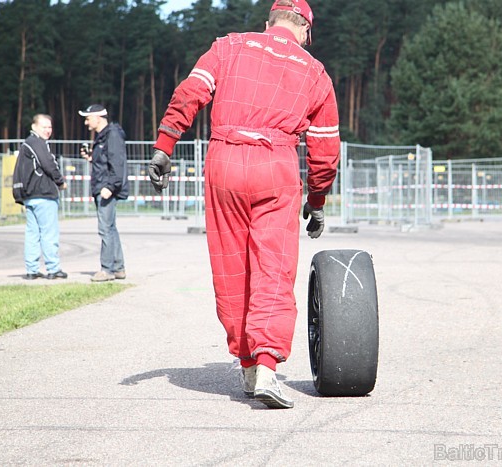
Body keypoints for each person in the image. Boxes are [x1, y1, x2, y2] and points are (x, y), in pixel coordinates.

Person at [148, 0, 340, 409]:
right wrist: (318, 199)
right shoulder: (315, 72)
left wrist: (165, 145)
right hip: (276, 166)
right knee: (274, 265)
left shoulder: (229, 45)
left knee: (232, 264)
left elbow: (191, 92)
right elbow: (324, 149)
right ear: (306, 30)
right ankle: (268, 365)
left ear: (268, 22)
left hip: (224, 162)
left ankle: (249, 364)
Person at [13, 114, 68, 280]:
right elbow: (48, 164)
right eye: (44, 127)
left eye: (50, 127)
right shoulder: (37, 143)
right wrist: (60, 181)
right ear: (34, 127)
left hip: (30, 196)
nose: (48, 130)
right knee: (49, 233)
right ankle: (53, 268)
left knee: (32, 234)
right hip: (43, 194)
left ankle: (31, 269)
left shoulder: (26, 144)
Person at [78, 104, 129, 282]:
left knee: (105, 229)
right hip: (102, 186)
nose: (86, 122)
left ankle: (107, 270)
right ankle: (118, 268)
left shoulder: (112, 134)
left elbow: (117, 162)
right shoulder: (103, 136)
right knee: (111, 229)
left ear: (97, 118)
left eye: (87, 118)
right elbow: (106, 161)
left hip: (106, 188)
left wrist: (110, 186)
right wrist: (92, 158)